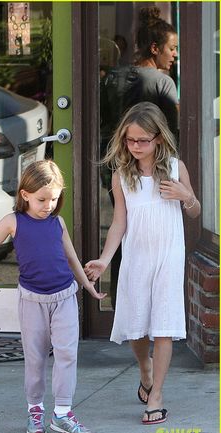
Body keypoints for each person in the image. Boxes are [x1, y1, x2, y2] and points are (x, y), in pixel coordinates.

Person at [0, 159, 105, 433]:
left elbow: (71, 257)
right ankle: (35, 410)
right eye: (42, 199)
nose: (48, 205)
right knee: (35, 358)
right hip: (32, 301)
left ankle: (62, 413)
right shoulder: (13, 221)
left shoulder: (58, 222)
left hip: (64, 296)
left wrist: (87, 285)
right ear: (25, 194)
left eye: (54, 199)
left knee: (67, 354)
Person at [85, 102, 200, 425]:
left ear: (159, 139)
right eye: (129, 140)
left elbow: (195, 211)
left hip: (168, 256)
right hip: (136, 256)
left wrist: (185, 196)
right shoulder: (122, 175)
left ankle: (157, 395)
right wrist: (106, 260)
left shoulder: (176, 168)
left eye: (142, 140)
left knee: (163, 326)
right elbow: (119, 222)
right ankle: (145, 368)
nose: (135, 146)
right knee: (137, 325)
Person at [100, 5, 180, 307]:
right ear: (155, 48)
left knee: (123, 225)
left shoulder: (113, 77)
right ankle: (152, 301)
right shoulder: (162, 83)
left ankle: (124, 299)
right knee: (149, 235)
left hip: (115, 164)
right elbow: (173, 132)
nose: (174, 55)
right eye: (172, 49)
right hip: (151, 169)